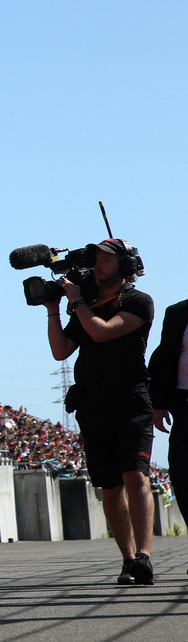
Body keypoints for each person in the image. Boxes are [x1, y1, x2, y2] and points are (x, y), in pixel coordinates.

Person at [46, 238, 155, 585]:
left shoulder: (138, 301)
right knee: (109, 485)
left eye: (106, 261)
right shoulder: (88, 304)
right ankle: (127, 560)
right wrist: (52, 309)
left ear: (124, 267)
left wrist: (76, 300)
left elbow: (103, 332)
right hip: (93, 404)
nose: (97, 266)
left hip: (130, 401)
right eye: (96, 260)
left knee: (135, 476)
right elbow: (61, 351)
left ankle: (145, 556)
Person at [150, 296, 188, 524]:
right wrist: (159, 403)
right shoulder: (177, 313)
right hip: (184, 407)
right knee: (182, 473)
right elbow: (163, 357)